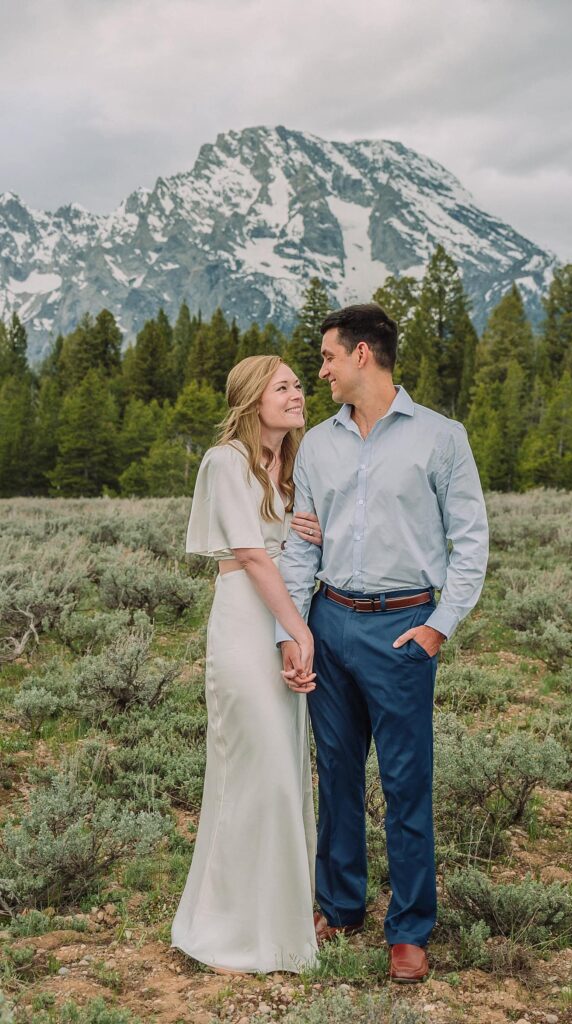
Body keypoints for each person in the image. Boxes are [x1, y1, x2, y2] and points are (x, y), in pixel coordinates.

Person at [276, 303, 489, 983]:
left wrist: (436, 627)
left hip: (402, 627)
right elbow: (301, 543)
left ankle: (409, 929)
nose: (321, 371)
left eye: (327, 357)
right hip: (330, 620)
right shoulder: (317, 444)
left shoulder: (440, 437)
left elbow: (470, 540)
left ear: (362, 354)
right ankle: (339, 905)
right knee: (334, 775)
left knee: (404, 782)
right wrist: (294, 631)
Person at [171, 354, 323, 975]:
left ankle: (281, 926)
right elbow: (254, 558)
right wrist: (298, 630)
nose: (297, 394)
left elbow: (289, 550)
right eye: (283, 386)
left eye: (299, 385)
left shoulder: (293, 465)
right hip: (244, 619)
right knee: (254, 769)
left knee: (286, 770)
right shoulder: (226, 461)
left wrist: (309, 530)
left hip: (284, 617)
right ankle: (228, 928)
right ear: (254, 397)